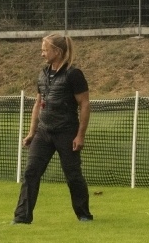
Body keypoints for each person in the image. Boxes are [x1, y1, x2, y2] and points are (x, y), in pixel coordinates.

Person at [12, 33, 93, 224]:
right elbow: (38, 103)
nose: (42, 54)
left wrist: (80, 135)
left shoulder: (74, 74)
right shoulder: (42, 74)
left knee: (73, 175)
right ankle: (22, 218)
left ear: (57, 51)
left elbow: (85, 104)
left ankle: (84, 214)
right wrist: (32, 133)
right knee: (31, 172)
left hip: (66, 132)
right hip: (43, 132)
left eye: (45, 50)